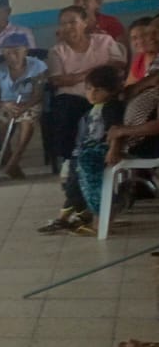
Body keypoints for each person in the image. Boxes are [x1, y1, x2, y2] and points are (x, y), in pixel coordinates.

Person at [39, 65, 129, 235]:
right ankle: (71, 215)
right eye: (88, 89)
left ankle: (81, 218)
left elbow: (115, 131)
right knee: (72, 184)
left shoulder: (111, 107)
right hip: (83, 152)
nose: (92, 94)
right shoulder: (94, 108)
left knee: (79, 184)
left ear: (111, 90)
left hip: (98, 153)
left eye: (98, 90)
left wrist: (113, 151)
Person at [49, 6, 127, 166]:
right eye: (63, 23)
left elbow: (118, 64)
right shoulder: (57, 51)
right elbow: (58, 80)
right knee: (65, 109)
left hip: (106, 95)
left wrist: (76, 77)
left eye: (72, 22)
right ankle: (70, 160)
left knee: (113, 109)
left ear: (85, 22)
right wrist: (96, 73)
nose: (68, 27)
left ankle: (107, 154)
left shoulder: (104, 40)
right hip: (72, 97)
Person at [0, 33, 49, 179]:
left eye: (16, 50)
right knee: (0, 125)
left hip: (29, 102)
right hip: (7, 104)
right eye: (7, 51)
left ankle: (15, 159)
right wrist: (6, 105)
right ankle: (10, 162)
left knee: (26, 122)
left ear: (25, 50)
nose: (12, 55)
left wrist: (24, 107)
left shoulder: (37, 66)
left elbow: (38, 95)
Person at [127, 18, 154, 86]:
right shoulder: (140, 59)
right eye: (134, 38)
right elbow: (129, 86)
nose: (140, 41)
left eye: (144, 35)